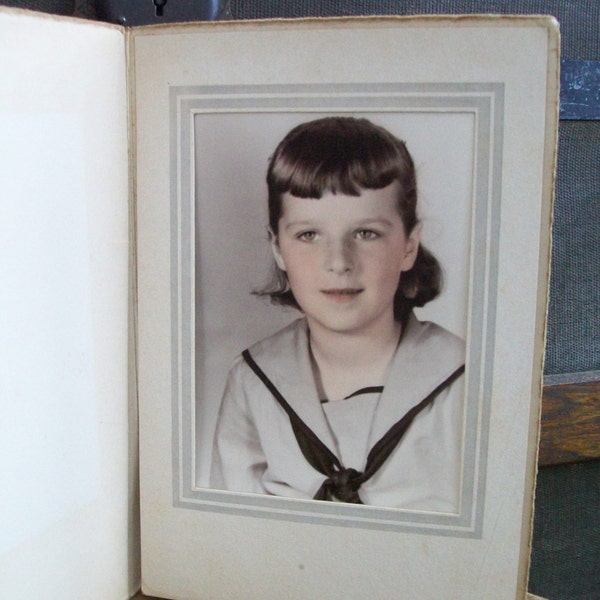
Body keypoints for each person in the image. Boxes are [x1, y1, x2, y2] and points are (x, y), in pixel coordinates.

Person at [210, 116, 465, 511]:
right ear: (278, 248)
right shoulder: (253, 382)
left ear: (409, 245)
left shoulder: (464, 380)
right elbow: (231, 539)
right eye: (309, 235)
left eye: (365, 233)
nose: (338, 262)